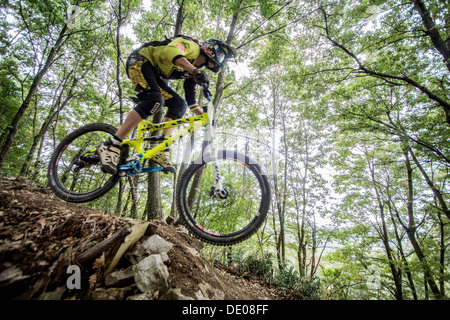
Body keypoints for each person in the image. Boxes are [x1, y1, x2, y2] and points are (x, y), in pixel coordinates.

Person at [96, 35, 237, 175]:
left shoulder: (194, 69)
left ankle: (160, 149)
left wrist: (205, 116)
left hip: (152, 73)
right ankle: (112, 144)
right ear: (211, 48)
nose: (221, 60)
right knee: (155, 100)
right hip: (139, 60)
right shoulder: (192, 47)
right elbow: (169, 51)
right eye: (220, 54)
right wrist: (194, 71)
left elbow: (191, 102)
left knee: (179, 105)